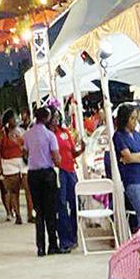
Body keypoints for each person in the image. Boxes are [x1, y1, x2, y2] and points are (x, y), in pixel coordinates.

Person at [22, 106, 61, 256]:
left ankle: (40, 247)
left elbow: (25, 153)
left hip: (33, 174)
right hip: (47, 173)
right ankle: (53, 244)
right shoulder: (50, 135)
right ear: (46, 118)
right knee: (50, 210)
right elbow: (56, 158)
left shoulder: (27, 135)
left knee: (38, 211)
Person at [113, 102, 140, 231]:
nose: (135, 122)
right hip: (133, 180)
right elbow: (128, 157)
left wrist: (134, 157)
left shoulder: (137, 135)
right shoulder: (119, 136)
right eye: (132, 118)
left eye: (136, 118)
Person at [51, 107, 83, 251]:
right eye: (54, 117)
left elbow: (72, 152)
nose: (56, 120)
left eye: (58, 117)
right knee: (62, 205)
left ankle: (73, 235)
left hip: (71, 171)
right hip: (59, 172)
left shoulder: (65, 132)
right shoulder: (49, 134)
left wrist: (81, 149)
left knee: (76, 203)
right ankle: (65, 239)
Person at [0, 109, 26, 225]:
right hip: (8, 164)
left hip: (22, 162)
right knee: (14, 191)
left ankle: (30, 212)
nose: (15, 120)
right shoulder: (1, 135)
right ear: (8, 120)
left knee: (26, 187)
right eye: (13, 118)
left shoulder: (20, 131)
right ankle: (17, 214)